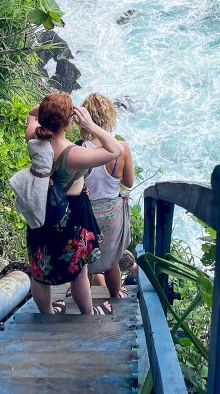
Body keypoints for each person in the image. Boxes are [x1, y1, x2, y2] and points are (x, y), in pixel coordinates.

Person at [24, 92, 122, 315]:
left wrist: (51, 109)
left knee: (39, 266)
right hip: (69, 214)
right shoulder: (73, 154)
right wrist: (90, 124)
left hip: (40, 210)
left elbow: (31, 113)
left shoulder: (34, 139)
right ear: (69, 122)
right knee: (78, 270)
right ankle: (87, 313)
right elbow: (115, 150)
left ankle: (47, 312)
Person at [80, 93, 134, 298]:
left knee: (86, 260)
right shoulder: (122, 148)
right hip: (112, 214)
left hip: (88, 214)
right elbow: (128, 183)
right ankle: (115, 295)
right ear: (110, 116)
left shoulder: (80, 149)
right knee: (111, 261)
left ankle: (81, 297)